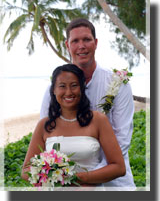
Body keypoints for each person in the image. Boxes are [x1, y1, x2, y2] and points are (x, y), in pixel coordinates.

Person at [40, 18, 136, 190]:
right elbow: (48, 137)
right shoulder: (53, 91)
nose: (81, 46)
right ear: (67, 46)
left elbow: (122, 140)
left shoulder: (118, 83)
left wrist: (90, 178)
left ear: (96, 43)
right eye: (75, 41)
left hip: (115, 180)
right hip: (65, 183)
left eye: (86, 39)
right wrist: (67, 178)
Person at [21, 64, 126, 188]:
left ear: (82, 88)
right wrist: (52, 174)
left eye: (74, 86)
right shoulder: (45, 125)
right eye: (62, 86)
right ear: (54, 90)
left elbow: (119, 167)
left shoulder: (98, 120)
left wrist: (79, 178)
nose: (68, 92)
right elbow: (26, 171)